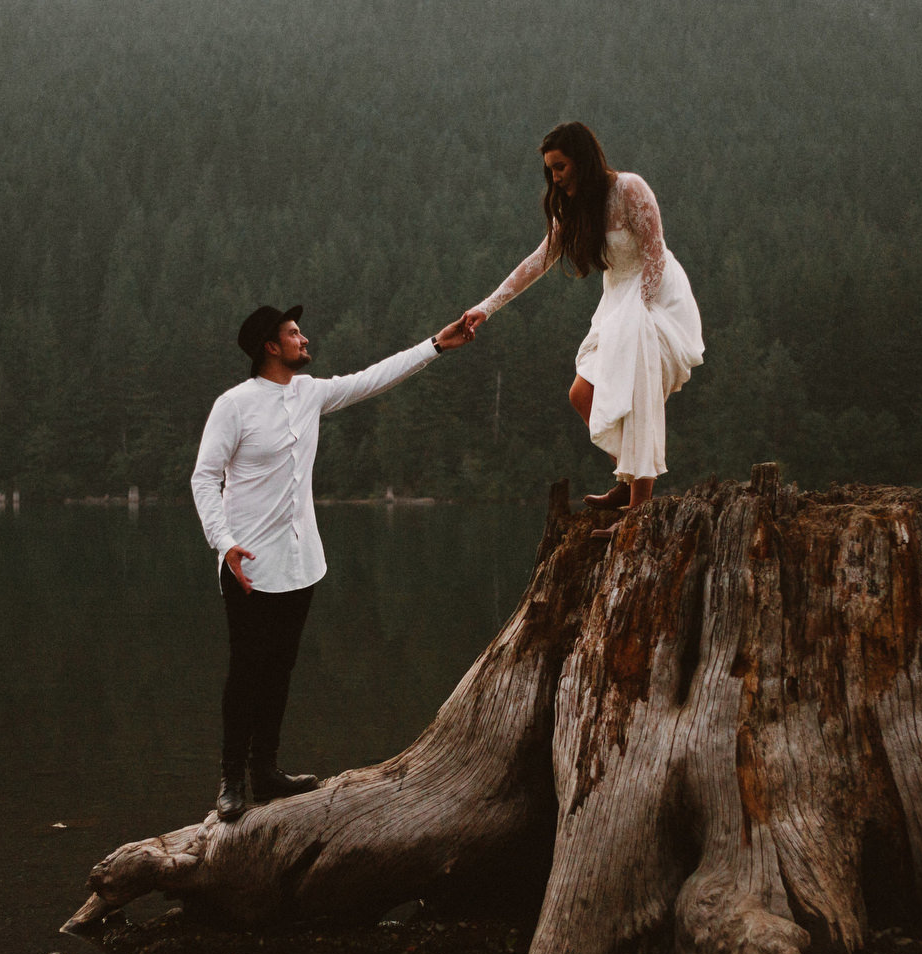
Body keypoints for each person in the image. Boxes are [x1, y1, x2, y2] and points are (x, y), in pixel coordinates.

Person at [191, 304, 475, 821]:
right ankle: (231, 779)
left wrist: (436, 344)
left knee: (280, 669)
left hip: (300, 564)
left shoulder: (309, 392)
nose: (304, 338)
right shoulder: (234, 405)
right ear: (270, 347)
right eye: (294, 333)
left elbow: (373, 378)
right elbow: (204, 478)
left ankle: (266, 772)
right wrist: (223, 542)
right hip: (246, 566)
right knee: (246, 672)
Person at [463, 121, 705, 537]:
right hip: (617, 297)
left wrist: (641, 315)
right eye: (550, 170)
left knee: (637, 389)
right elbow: (538, 261)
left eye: (560, 167)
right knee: (582, 393)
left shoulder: (629, 189)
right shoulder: (572, 207)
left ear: (583, 160)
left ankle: (638, 511)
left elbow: (655, 253)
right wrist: (487, 307)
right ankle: (627, 480)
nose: (555, 177)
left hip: (656, 293)